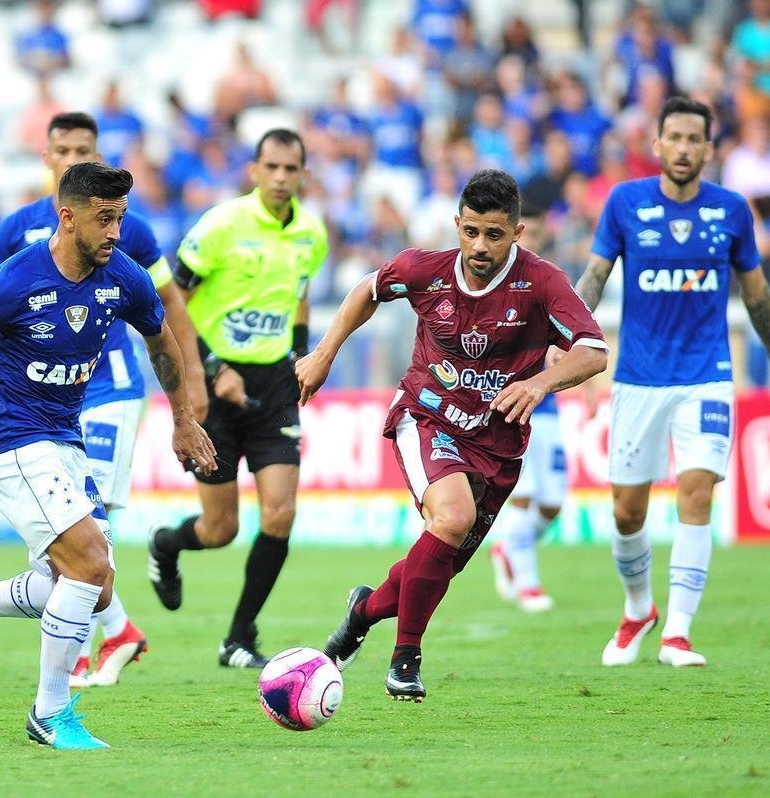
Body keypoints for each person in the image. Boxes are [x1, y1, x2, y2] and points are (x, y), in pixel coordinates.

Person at [0, 162, 217, 749]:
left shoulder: (122, 275)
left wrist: (182, 420)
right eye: (104, 220)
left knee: (90, 588)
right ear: (67, 216)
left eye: (120, 218)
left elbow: (161, 340)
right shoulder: (15, 280)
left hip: (62, 438)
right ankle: (49, 714)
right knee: (91, 564)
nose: (115, 233)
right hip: (8, 439)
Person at [298, 169, 608, 701]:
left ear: (517, 233)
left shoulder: (542, 283)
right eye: (470, 232)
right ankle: (405, 658)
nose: (479, 246)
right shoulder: (427, 270)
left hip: (499, 443)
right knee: (452, 518)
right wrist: (324, 353)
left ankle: (362, 612)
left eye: (493, 234)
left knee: (440, 559)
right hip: (428, 416)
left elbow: (593, 351)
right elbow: (366, 290)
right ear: (457, 225)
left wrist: (540, 383)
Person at [575, 96, 770, 669]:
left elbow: (756, 295)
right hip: (638, 377)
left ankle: (678, 632)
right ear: (656, 145)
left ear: (709, 148)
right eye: (672, 138)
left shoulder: (731, 211)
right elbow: (594, 278)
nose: (682, 148)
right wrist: (573, 348)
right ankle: (638, 610)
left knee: (696, 493)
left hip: (707, 374)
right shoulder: (625, 203)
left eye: (693, 140)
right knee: (627, 512)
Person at [147, 129, 328, 668]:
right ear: (253, 170)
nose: (279, 177)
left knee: (280, 513)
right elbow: (170, 304)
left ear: (303, 175)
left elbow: (298, 298)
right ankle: (167, 545)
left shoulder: (312, 233)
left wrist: (300, 356)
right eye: (270, 167)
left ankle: (239, 638)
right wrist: (210, 368)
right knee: (220, 530)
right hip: (215, 390)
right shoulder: (221, 225)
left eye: (290, 169)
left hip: (273, 386)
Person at [486, 206, 584, 613]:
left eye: (540, 234)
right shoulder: (493, 286)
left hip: (549, 408)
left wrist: (586, 384)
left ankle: (509, 547)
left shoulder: (548, 283)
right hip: (511, 408)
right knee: (523, 498)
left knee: (552, 504)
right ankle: (528, 584)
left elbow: (573, 340)